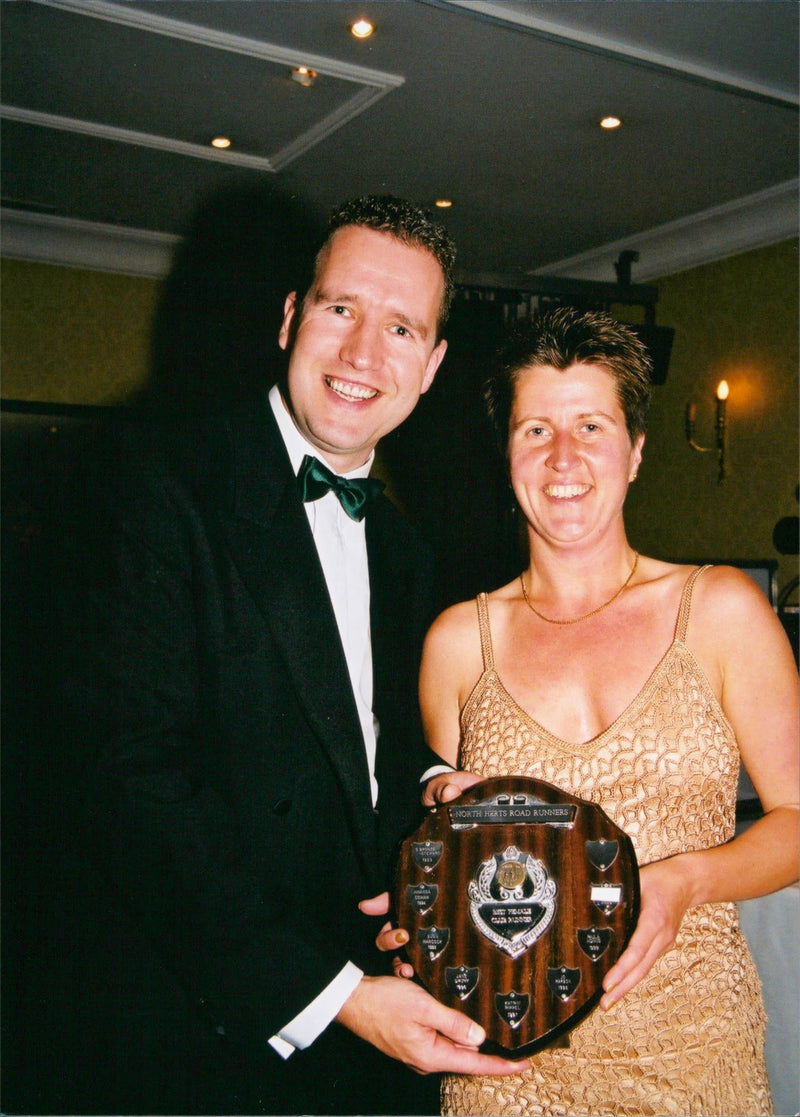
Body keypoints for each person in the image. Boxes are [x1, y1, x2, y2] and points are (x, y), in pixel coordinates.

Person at [58, 195, 518, 1116]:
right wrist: (335, 998)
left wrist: (435, 785)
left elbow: (361, 741)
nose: (361, 355)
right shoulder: (147, 485)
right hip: (198, 1033)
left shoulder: (403, 545)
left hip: (368, 1048)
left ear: (429, 368)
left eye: (399, 328)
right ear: (288, 318)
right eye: (339, 309)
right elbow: (124, 784)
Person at [417, 307, 799, 1115]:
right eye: (534, 430)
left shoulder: (722, 609)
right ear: (506, 452)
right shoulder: (458, 642)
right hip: (508, 1066)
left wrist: (686, 881)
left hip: (695, 1053)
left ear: (636, 449)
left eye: (591, 425)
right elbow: (453, 858)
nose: (563, 458)